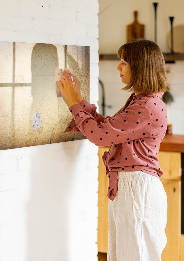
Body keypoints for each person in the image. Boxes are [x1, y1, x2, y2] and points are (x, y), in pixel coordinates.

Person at [57, 39, 169, 261]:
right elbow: (108, 128)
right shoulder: (142, 101)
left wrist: (72, 103)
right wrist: (79, 99)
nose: (118, 67)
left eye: (124, 62)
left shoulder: (146, 106)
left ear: (140, 67)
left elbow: (100, 136)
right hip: (132, 188)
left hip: (137, 190)